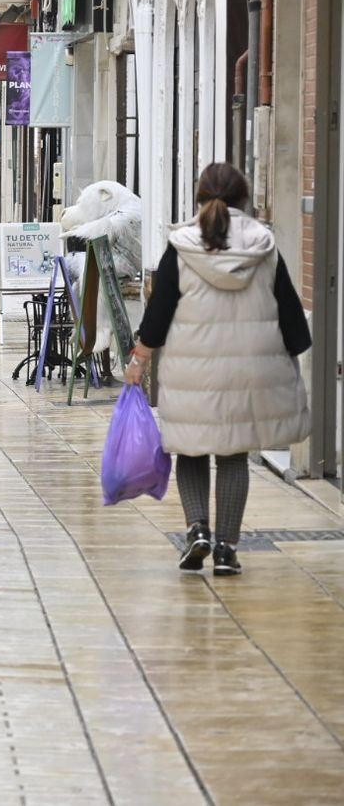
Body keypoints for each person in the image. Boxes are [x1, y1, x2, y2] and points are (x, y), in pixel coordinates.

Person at [126, 163, 310, 577]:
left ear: (199, 198)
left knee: (190, 449)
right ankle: (226, 548)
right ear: (244, 199)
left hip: (192, 373)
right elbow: (290, 313)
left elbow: (159, 313)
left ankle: (197, 531)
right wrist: (294, 355)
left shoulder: (182, 245)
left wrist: (139, 358)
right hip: (249, 371)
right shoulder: (264, 245)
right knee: (232, 455)